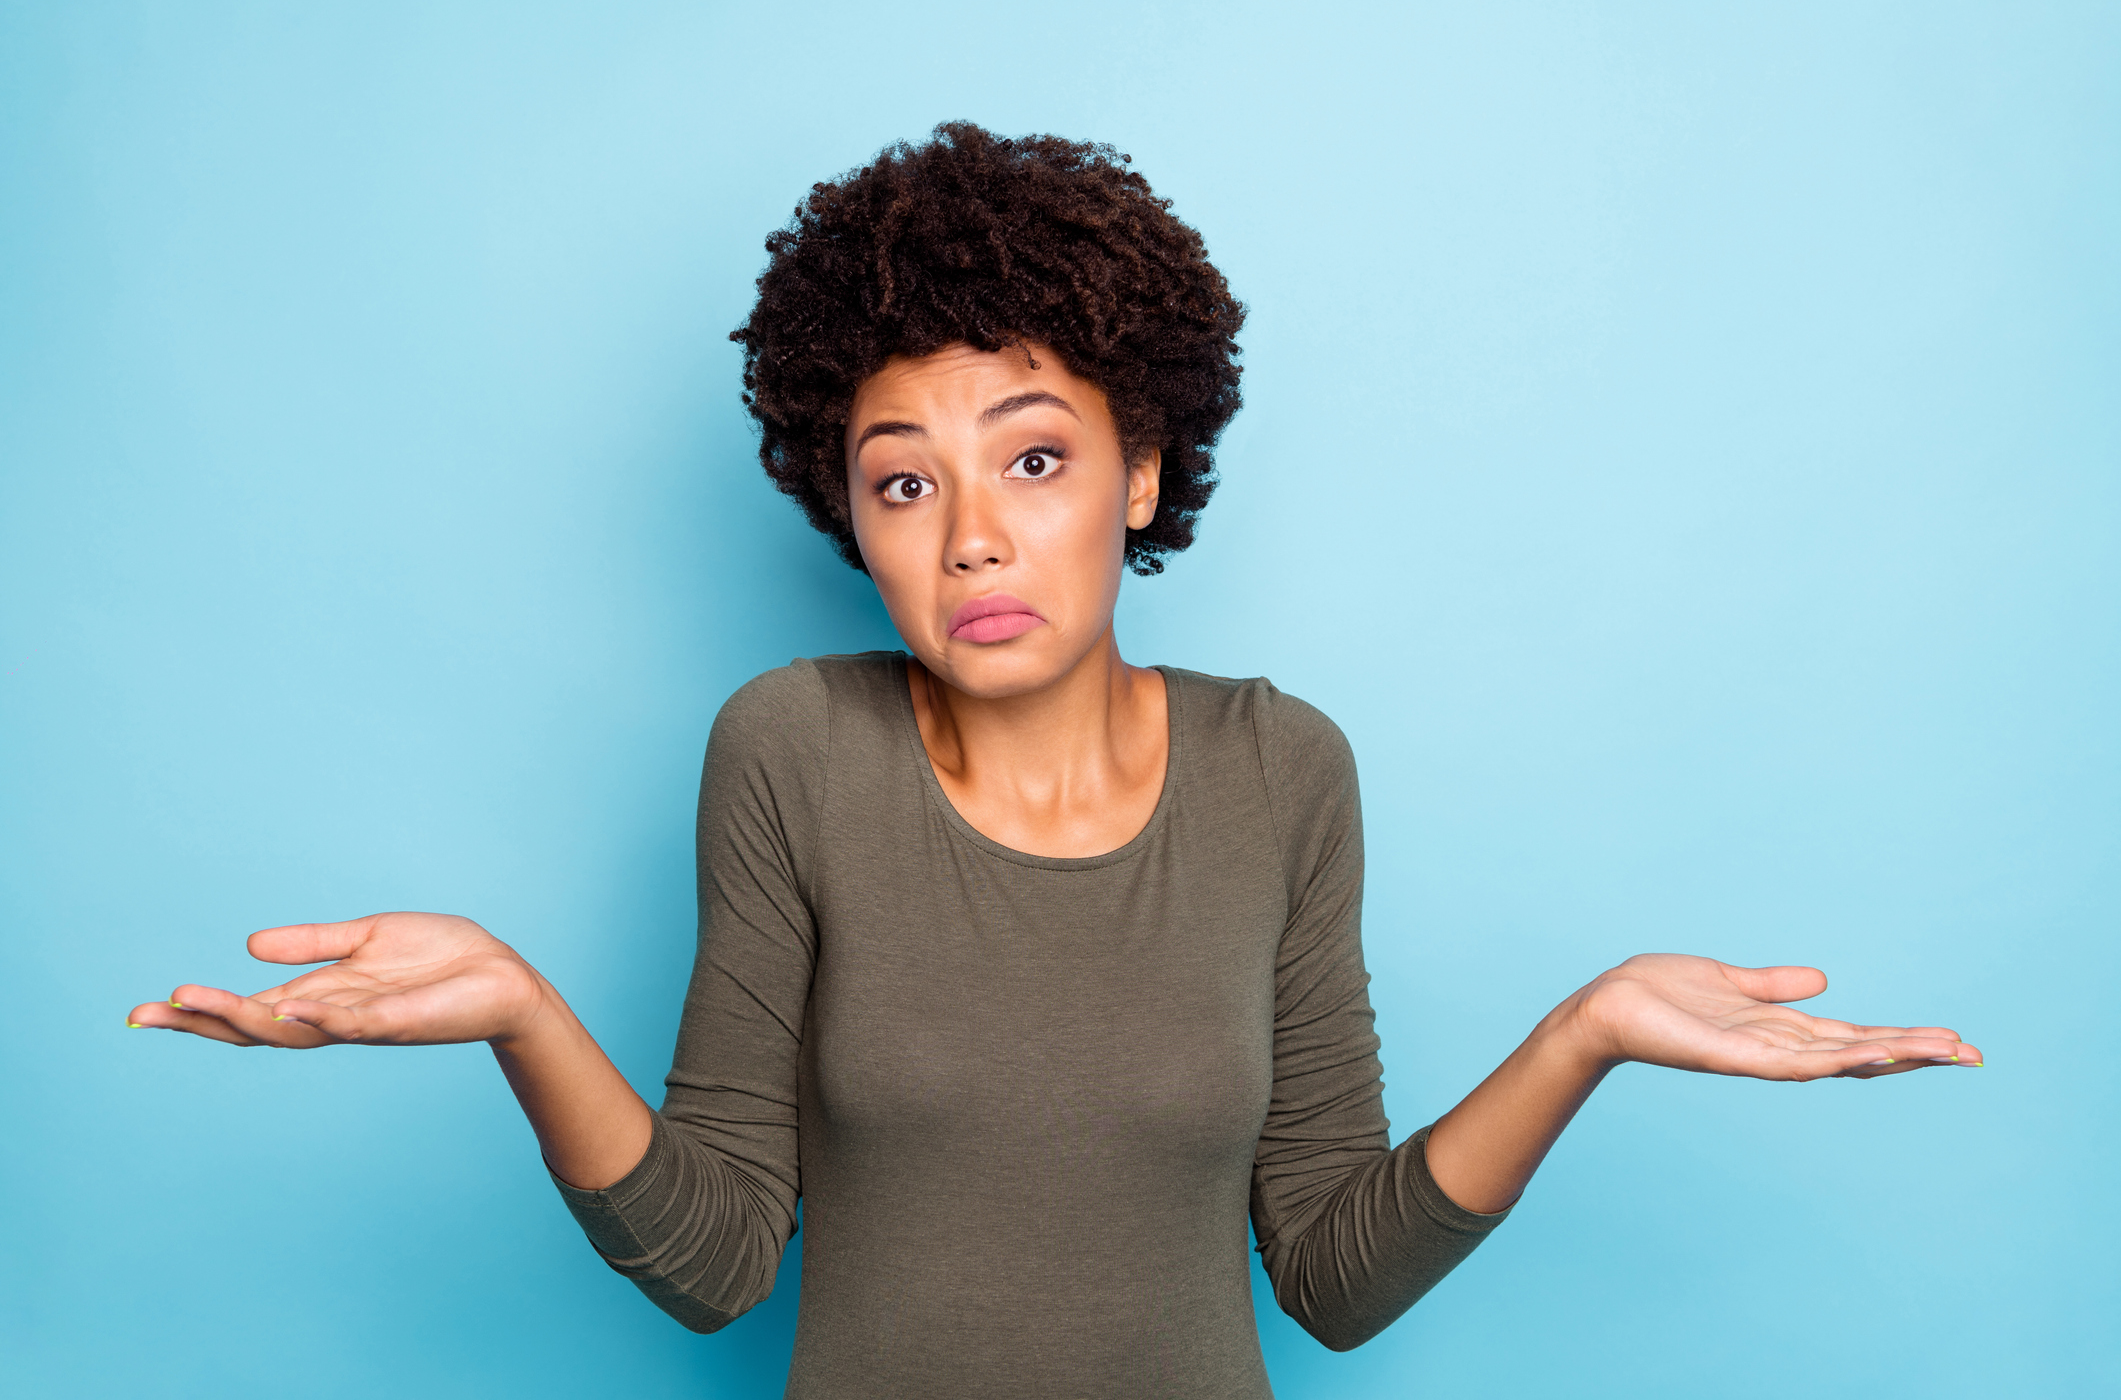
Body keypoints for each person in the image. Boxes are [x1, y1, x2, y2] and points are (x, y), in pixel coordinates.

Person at [127, 123, 1981, 1399]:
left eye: (1031, 456)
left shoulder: (1283, 772)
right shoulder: (791, 748)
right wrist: (526, 1010)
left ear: (1143, 469)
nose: (971, 540)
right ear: (845, 512)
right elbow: (711, 1262)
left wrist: (1580, 1035)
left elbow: (1331, 1274)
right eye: (901, 480)